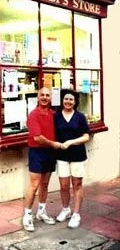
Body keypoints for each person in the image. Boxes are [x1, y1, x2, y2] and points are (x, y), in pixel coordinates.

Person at [22, 87, 61, 232]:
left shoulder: (53, 114)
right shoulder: (33, 115)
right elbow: (37, 138)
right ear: (38, 97)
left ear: (51, 98)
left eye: (47, 95)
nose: (45, 97)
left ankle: (42, 211)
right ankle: (27, 215)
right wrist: (54, 144)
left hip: (50, 153)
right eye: (42, 95)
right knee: (35, 184)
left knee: (45, 184)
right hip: (37, 152)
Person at [54, 88, 90, 229]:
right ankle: (65, 209)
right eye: (66, 99)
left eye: (71, 99)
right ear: (62, 101)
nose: (68, 101)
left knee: (77, 185)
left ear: (75, 102)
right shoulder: (56, 116)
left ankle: (76, 214)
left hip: (77, 156)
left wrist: (70, 142)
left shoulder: (80, 117)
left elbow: (86, 136)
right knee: (63, 186)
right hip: (61, 156)